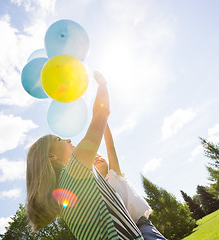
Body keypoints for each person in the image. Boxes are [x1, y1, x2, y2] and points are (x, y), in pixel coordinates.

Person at [26, 71, 144, 240]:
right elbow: (101, 114)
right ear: (52, 156)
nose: (67, 139)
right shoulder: (74, 172)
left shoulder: (66, 190)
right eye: (59, 139)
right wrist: (102, 85)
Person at [94, 123, 167, 240]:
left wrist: (103, 123)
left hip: (140, 224)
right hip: (124, 233)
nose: (97, 158)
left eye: (99, 156)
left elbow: (110, 147)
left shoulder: (113, 174)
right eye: (93, 159)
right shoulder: (97, 187)